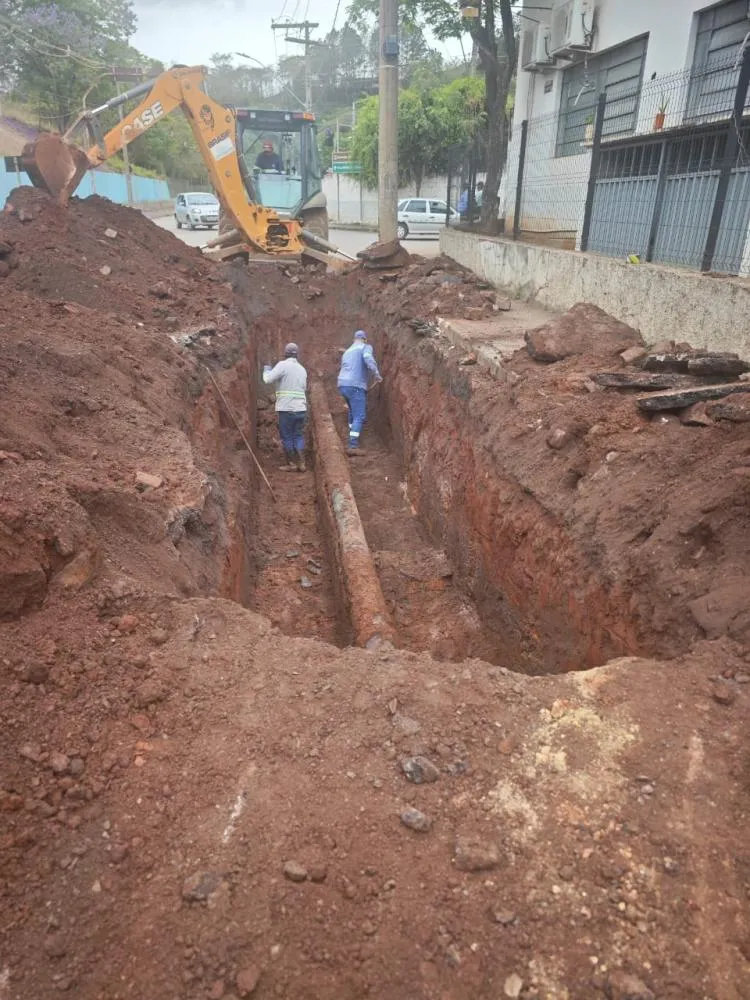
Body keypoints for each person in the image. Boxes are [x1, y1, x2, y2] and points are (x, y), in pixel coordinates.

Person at [263, 343, 308, 472]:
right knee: (298, 435)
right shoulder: (302, 369)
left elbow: (267, 380)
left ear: (285, 353)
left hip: (287, 409)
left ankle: (291, 464)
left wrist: (266, 369)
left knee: (287, 436)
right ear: (297, 355)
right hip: (301, 409)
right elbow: (304, 388)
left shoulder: (282, 365)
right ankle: (302, 463)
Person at [337, 330, 382, 454]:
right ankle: (353, 445)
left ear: (354, 339)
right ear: (364, 339)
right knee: (359, 416)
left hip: (342, 384)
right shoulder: (365, 347)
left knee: (352, 411)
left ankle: (352, 434)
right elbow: (368, 359)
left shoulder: (347, 351)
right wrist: (377, 375)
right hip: (355, 385)